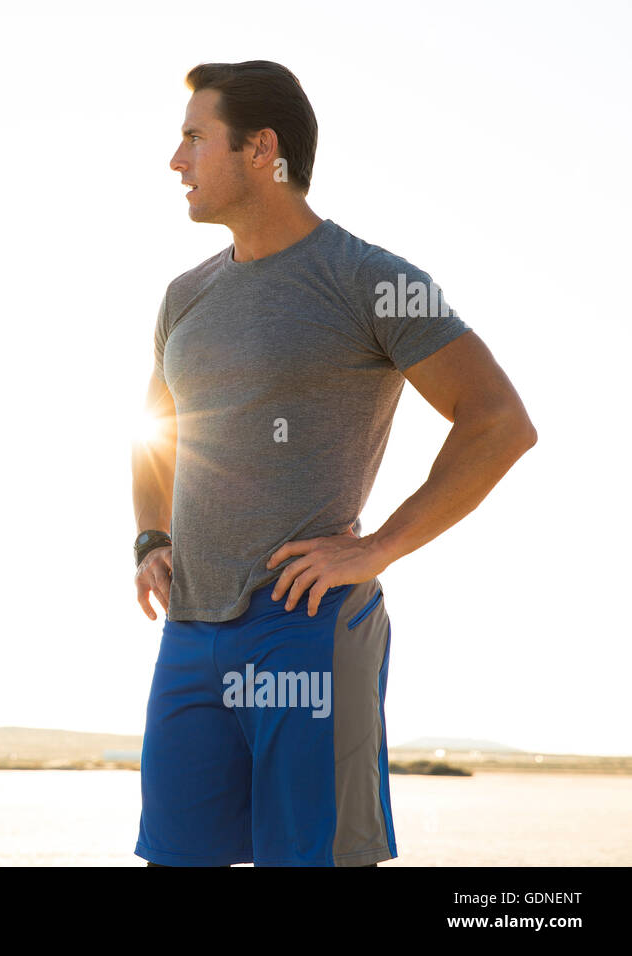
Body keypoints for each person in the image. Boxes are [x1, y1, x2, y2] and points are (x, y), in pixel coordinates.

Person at [130, 61, 537, 867]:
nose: (176, 161)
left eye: (193, 138)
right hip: (188, 635)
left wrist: (377, 547)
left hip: (307, 628)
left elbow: (500, 423)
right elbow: (155, 432)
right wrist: (150, 539)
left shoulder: (376, 281)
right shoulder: (184, 295)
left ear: (261, 150)